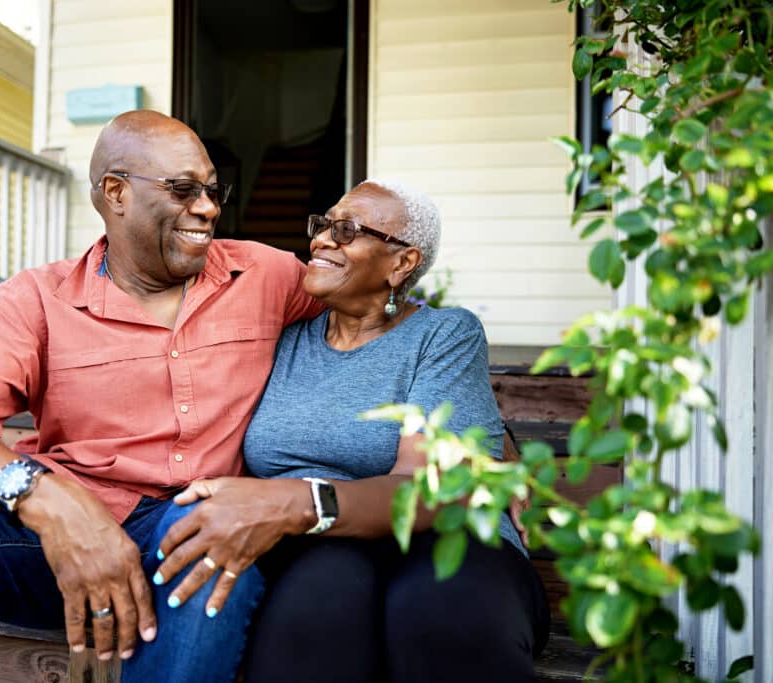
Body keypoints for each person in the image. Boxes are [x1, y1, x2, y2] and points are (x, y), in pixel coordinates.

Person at [0, 110, 323, 683]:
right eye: (182, 190)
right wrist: (56, 509)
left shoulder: (265, 275)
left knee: (210, 547)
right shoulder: (38, 298)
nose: (208, 207)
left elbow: (367, 306)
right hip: (54, 545)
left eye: (211, 189)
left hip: (188, 533)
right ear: (116, 193)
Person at [152, 179, 551, 682]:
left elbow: (427, 491)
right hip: (321, 547)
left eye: (346, 231)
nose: (321, 240)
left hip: (445, 539)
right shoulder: (280, 335)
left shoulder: (443, 334)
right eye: (323, 226)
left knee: (438, 611)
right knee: (317, 610)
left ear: (402, 263)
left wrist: (292, 502)